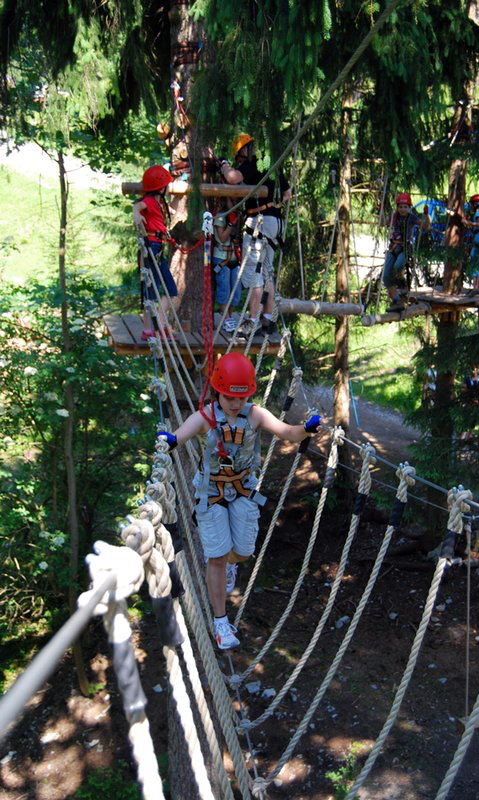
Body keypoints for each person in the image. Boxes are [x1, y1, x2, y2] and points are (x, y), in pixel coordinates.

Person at [158, 353, 321, 650]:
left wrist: (306, 429)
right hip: (212, 494)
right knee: (217, 556)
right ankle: (221, 622)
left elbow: (286, 432)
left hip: (244, 491)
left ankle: (230, 564)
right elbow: (178, 437)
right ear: (217, 390)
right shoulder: (205, 417)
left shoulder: (255, 414)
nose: (234, 404)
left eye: (240, 397)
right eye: (228, 397)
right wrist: (167, 441)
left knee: (243, 551)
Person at [219, 134, 291, 338]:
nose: (239, 163)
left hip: (259, 221)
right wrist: (269, 197)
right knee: (267, 270)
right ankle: (267, 318)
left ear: (243, 151)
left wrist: (223, 164)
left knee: (253, 271)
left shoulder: (253, 161)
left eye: (238, 158)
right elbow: (287, 194)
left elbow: (232, 178)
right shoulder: (271, 163)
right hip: (275, 222)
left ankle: (253, 320)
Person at [133, 165, 179, 341]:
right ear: (161, 187)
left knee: (159, 290)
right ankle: (157, 327)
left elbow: (173, 210)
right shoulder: (151, 202)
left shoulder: (159, 204)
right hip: (152, 247)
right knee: (159, 290)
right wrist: (136, 214)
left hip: (156, 247)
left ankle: (155, 327)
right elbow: (138, 206)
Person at [382, 192, 430, 312]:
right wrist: (381, 211)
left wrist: (426, 215)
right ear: (397, 207)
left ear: (409, 208)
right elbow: (383, 223)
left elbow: (425, 226)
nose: (403, 209)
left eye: (405, 207)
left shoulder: (412, 217)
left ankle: (403, 284)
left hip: (405, 248)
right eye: (400, 207)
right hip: (393, 248)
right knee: (386, 277)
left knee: (398, 266)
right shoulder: (393, 217)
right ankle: (396, 300)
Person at [212, 207, 241, 332]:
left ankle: (229, 317)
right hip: (221, 258)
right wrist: (230, 223)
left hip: (234, 258)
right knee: (224, 288)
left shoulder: (238, 215)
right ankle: (226, 318)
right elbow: (222, 238)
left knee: (236, 289)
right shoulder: (220, 216)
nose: (234, 203)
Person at [463, 194, 479, 294]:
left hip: (478, 242)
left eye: (472, 204)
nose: (471, 206)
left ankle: (475, 288)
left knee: (475, 263)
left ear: (476, 204)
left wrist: (469, 223)